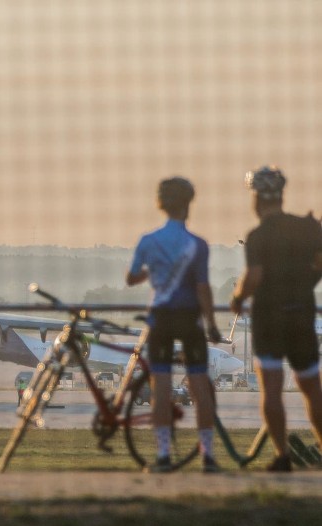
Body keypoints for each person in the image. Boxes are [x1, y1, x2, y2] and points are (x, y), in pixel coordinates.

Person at [126, 176, 222, 473]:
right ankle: (207, 456)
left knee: (161, 387)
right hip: (189, 319)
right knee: (199, 388)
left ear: (161, 204)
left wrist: (152, 272)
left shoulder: (148, 241)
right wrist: (212, 324)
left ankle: (164, 455)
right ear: (188, 204)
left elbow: (131, 278)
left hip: (160, 319)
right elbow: (203, 288)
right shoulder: (198, 245)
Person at [230, 166, 322, 472]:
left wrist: (238, 298)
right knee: (311, 388)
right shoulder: (308, 228)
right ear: (282, 195)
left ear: (257, 199)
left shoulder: (257, 236)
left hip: (269, 319)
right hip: (302, 315)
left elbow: (253, 277)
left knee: (271, 389)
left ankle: (282, 456)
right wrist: (309, 281)